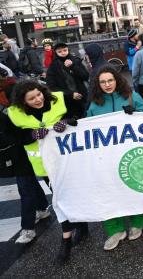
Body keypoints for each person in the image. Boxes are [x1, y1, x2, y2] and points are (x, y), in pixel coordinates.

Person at [8, 80, 85, 262]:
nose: (37, 100)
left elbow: (79, 112)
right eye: (31, 98)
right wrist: (31, 135)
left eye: (38, 94)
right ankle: (67, 234)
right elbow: (13, 136)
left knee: (73, 194)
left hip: (67, 157)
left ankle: (81, 226)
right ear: (22, 101)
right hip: (43, 164)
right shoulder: (14, 113)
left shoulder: (58, 98)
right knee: (59, 198)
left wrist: (67, 121)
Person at [86, 67, 143, 250]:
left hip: (131, 154)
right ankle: (115, 229)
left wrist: (137, 113)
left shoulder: (131, 96)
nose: (107, 85)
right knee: (108, 191)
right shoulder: (95, 104)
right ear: (98, 85)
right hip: (106, 157)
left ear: (117, 80)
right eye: (103, 82)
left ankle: (138, 222)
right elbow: (87, 129)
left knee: (135, 186)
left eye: (110, 80)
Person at [0, 72, 51, 245]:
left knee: (30, 187)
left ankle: (28, 228)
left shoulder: (12, 87)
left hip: (31, 147)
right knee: (27, 186)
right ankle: (42, 209)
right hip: (18, 149)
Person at [45, 43, 89, 118]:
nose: (63, 53)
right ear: (56, 52)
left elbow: (85, 76)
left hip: (82, 98)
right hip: (66, 102)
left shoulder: (76, 60)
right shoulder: (53, 67)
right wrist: (70, 94)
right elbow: (52, 87)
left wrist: (73, 66)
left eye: (65, 50)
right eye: (60, 51)